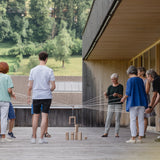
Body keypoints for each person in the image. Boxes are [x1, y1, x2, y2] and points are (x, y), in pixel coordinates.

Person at [27, 51, 56, 144]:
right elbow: (53, 86)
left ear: (39, 58)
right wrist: (49, 90)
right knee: (44, 116)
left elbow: (30, 86)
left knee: (35, 116)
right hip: (46, 96)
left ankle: (33, 138)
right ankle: (41, 138)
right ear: (46, 59)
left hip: (36, 96)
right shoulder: (49, 70)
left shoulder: (33, 70)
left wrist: (28, 97)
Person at [121, 66, 148, 143]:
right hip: (142, 102)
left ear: (129, 73)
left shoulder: (130, 80)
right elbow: (143, 91)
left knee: (133, 120)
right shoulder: (140, 80)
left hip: (133, 102)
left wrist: (123, 98)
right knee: (141, 120)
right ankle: (140, 138)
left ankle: (133, 138)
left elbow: (128, 92)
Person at [102, 73, 123, 138]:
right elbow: (108, 97)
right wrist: (105, 94)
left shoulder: (120, 86)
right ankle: (106, 132)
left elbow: (121, 96)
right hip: (110, 104)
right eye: (112, 79)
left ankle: (116, 133)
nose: (113, 80)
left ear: (117, 79)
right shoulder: (110, 87)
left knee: (117, 119)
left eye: (114, 79)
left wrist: (117, 94)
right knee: (108, 118)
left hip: (118, 104)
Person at [0, 62, 16, 143]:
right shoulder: (7, 77)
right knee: (3, 119)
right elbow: (9, 90)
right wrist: (12, 94)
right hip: (5, 101)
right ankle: (3, 137)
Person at [145, 69, 160, 141]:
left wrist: (150, 106)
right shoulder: (158, 79)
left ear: (150, 76)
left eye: (147, 77)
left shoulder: (155, 81)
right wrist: (152, 107)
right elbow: (158, 96)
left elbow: (154, 96)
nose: (147, 79)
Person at [136, 67, 150, 138]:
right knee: (136, 116)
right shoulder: (136, 80)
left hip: (144, 99)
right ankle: (138, 131)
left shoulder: (146, 80)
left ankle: (143, 133)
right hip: (137, 100)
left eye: (138, 71)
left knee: (144, 117)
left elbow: (147, 91)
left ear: (142, 72)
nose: (137, 73)